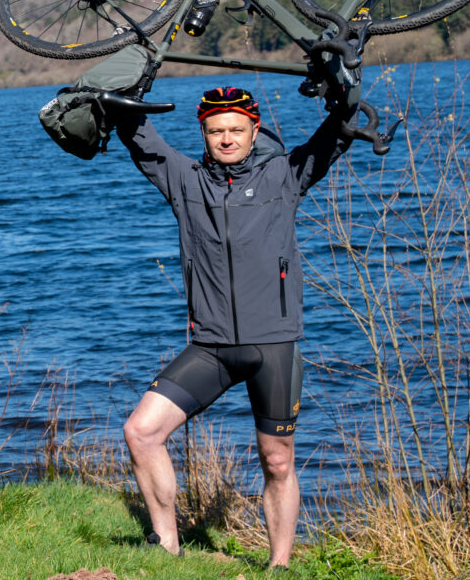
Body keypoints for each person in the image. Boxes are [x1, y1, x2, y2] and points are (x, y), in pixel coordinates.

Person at [113, 85, 353, 566]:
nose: (226, 139)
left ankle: (279, 566)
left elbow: (333, 137)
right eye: (216, 130)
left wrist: (343, 96)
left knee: (278, 460)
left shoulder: (284, 176)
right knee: (141, 431)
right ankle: (165, 547)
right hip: (212, 347)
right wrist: (122, 95)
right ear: (203, 134)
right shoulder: (185, 180)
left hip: (273, 347)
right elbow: (140, 139)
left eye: (236, 130)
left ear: (254, 131)